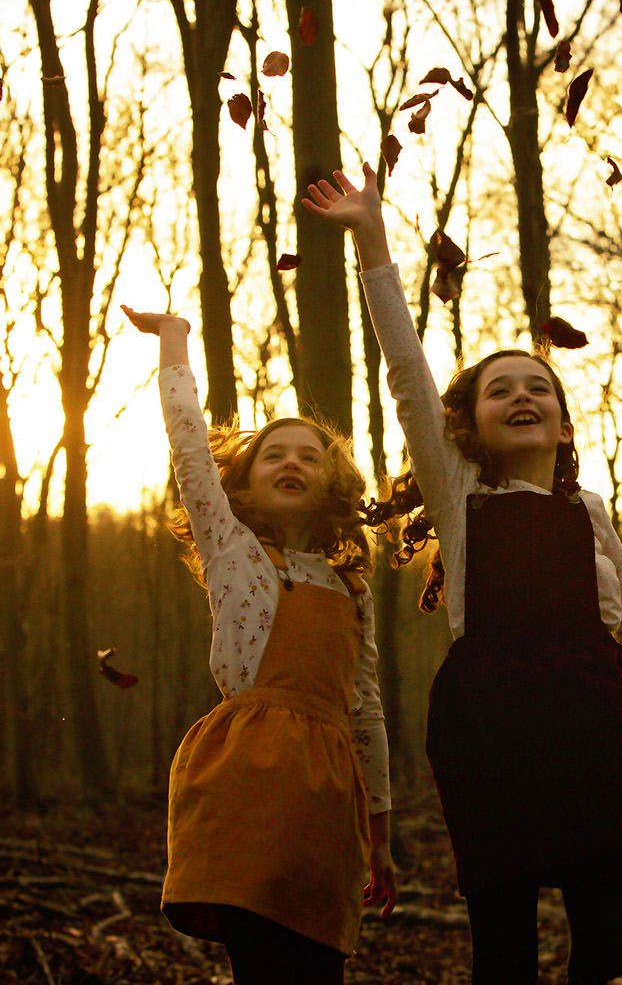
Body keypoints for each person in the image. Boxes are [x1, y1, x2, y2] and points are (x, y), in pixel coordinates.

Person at [301, 166, 622, 985]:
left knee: (602, 939)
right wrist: (373, 240)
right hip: (493, 731)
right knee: (503, 939)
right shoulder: (464, 500)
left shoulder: (590, 511)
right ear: (469, 423)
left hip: (602, 731)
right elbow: (407, 373)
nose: (524, 396)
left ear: (563, 425)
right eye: (502, 390)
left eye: (540, 388)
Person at [123, 304, 397, 984]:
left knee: (318, 960)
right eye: (274, 454)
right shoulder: (234, 552)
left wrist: (381, 834)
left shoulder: (351, 587)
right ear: (241, 482)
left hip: (329, 794)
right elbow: (189, 443)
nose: (293, 463)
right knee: (263, 960)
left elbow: (366, 709)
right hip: (247, 775)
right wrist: (175, 341)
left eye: (311, 456)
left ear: (335, 484)